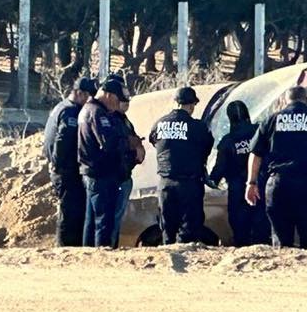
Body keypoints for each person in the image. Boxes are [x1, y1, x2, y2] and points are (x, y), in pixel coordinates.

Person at [247, 85, 307, 250]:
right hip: (306, 184)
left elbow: (255, 154)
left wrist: (251, 183)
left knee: (281, 240)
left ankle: (283, 273)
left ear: (285, 100)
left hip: (278, 184)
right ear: (306, 100)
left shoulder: (271, 120)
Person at [150, 85, 214, 244]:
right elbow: (207, 147)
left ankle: (170, 261)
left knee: (167, 229)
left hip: (165, 182)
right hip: (189, 183)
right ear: (192, 105)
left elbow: (154, 141)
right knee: (189, 230)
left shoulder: (160, 123)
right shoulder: (198, 127)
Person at [41, 76, 97, 247]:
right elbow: (62, 141)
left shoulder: (61, 106)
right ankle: (66, 249)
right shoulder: (70, 112)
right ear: (80, 93)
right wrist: (59, 166)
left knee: (70, 211)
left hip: (61, 169)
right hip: (65, 172)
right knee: (70, 213)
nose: (90, 101)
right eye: (89, 97)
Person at [77, 74, 130, 248]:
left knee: (92, 220)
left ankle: (89, 253)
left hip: (94, 172)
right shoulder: (97, 113)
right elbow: (108, 143)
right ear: (109, 95)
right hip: (100, 173)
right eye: (117, 100)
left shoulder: (89, 109)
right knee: (103, 220)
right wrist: (128, 141)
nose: (117, 106)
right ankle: (102, 253)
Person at [208, 100, 270, 246]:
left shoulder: (228, 141)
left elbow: (219, 168)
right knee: (262, 233)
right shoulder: (259, 131)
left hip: (238, 192)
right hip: (261, 187)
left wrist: (211, 180)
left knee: (241, 235)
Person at [110, 87, 146, 247]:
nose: (126, 104)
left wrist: (137, 145)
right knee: (111, 217)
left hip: (125, 173)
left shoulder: (124, 120)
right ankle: (108, 247)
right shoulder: (112, 119)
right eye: (123, 101)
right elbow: (118, 144)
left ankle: (112, 244)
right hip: (115, 175)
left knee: (117, 217)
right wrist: (134, 144)